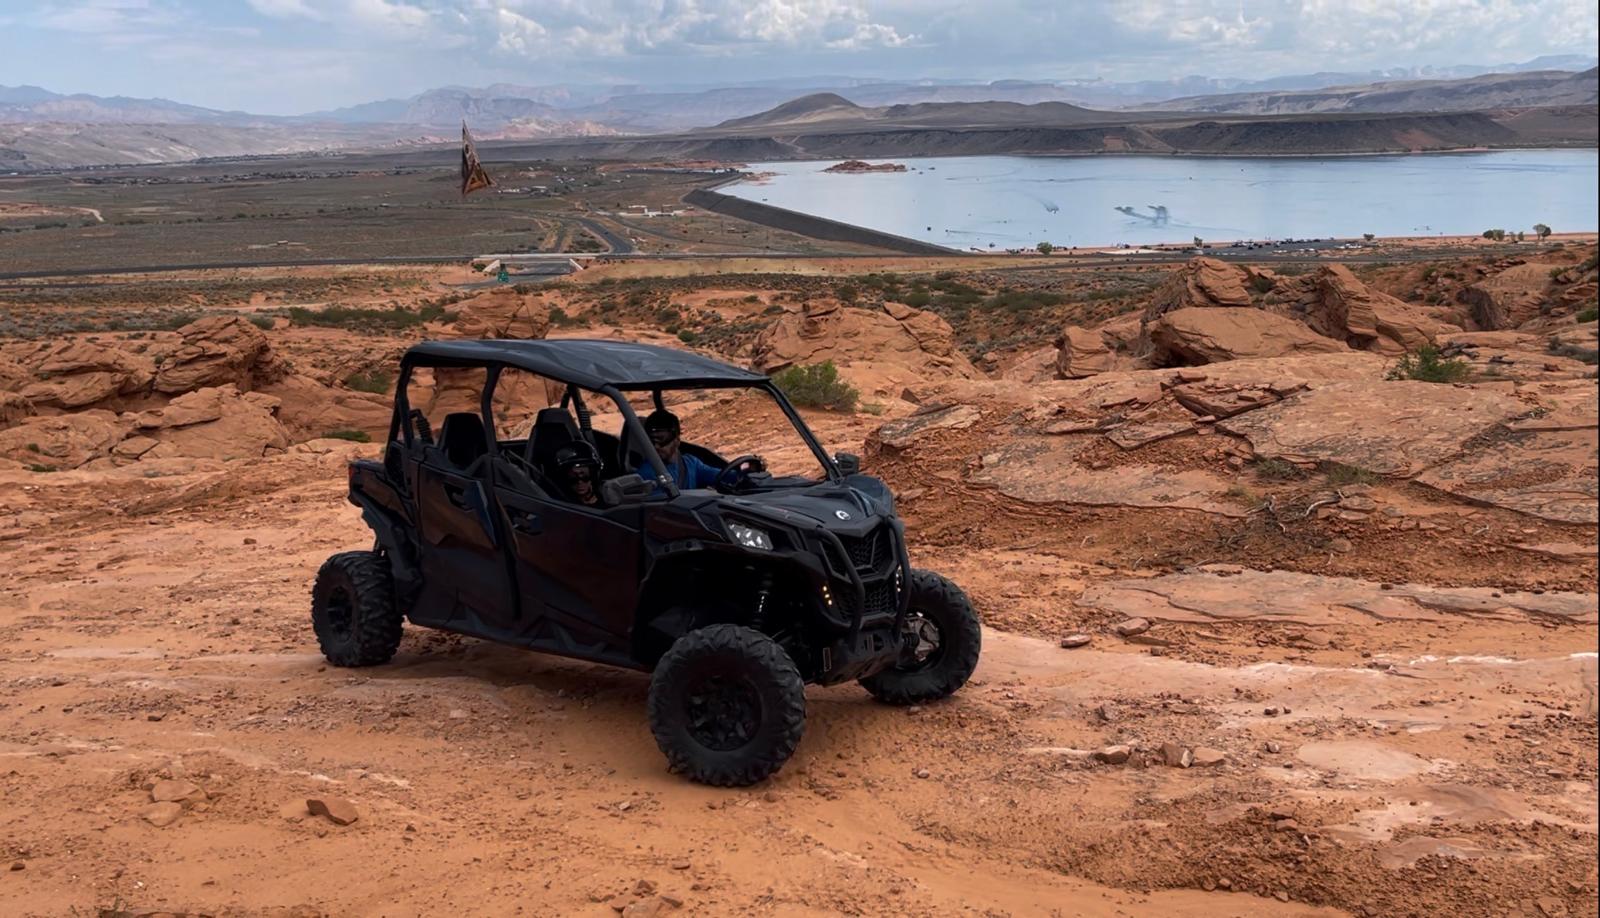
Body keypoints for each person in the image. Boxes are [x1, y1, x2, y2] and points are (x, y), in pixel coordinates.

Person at [635, 409, 720, 490]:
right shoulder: (646, 474)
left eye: (661, 439)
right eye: (651, 441)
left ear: (677, 440)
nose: (656, 446)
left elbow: (720, 476)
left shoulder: (691, 464)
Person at [552, 441, 603, 507]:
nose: (579, 482)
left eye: (585, 476)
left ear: (593, 475)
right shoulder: (561, 504)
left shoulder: (609, 496)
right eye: (573, 478)